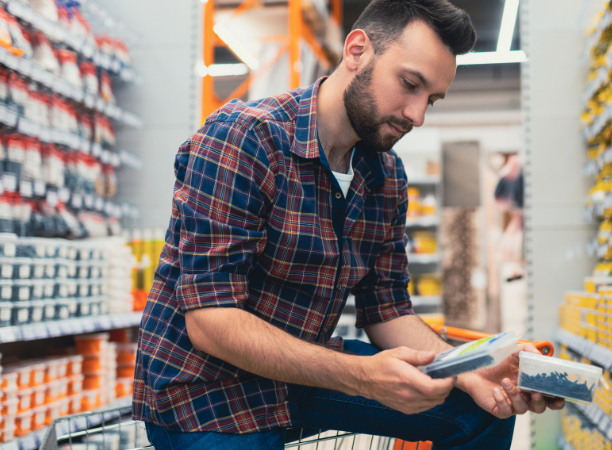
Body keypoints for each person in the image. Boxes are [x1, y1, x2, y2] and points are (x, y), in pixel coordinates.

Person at [133, 0, 565, 448]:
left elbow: (389, 310)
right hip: (208, 390)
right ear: (357, 51)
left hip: (300, 372)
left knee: (483, 406)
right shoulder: (243, 138)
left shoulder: (386, 177)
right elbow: (210, 322)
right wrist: (361, 376)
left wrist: (468, 367)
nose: (417, 115)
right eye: (409, 84)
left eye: (430, 99)